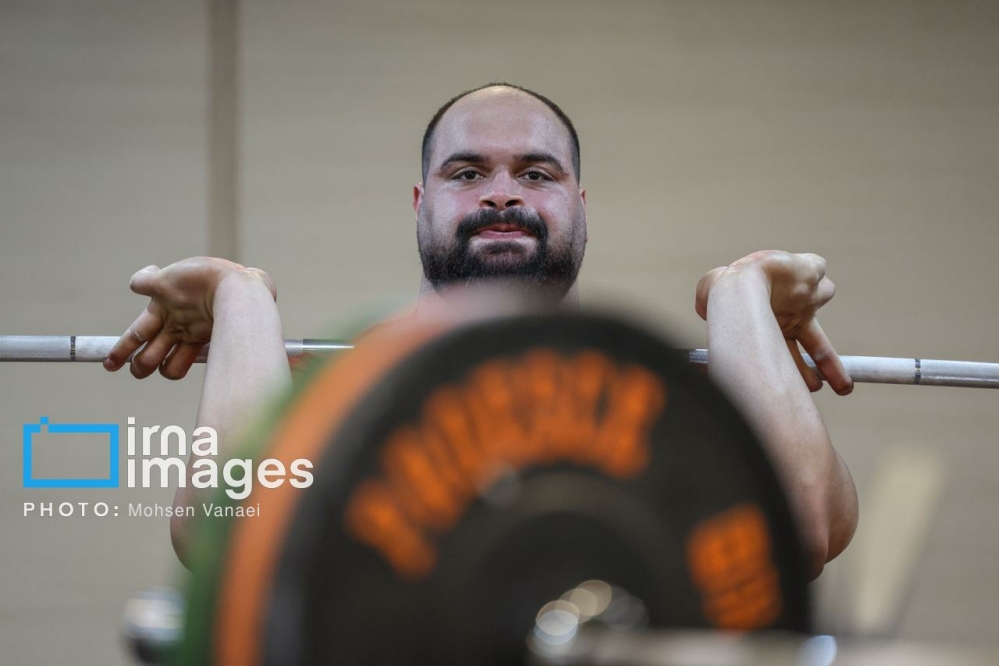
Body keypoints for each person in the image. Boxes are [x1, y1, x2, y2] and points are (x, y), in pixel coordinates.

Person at [103, 83, 858, 578]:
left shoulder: (651, 404)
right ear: (420, 203)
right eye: (467, 174)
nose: (501, 195)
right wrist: (240, 299)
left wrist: (740, 294)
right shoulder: (344, 397)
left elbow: (796, 535)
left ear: (580, 203)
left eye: (536, 174)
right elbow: (228, 543)